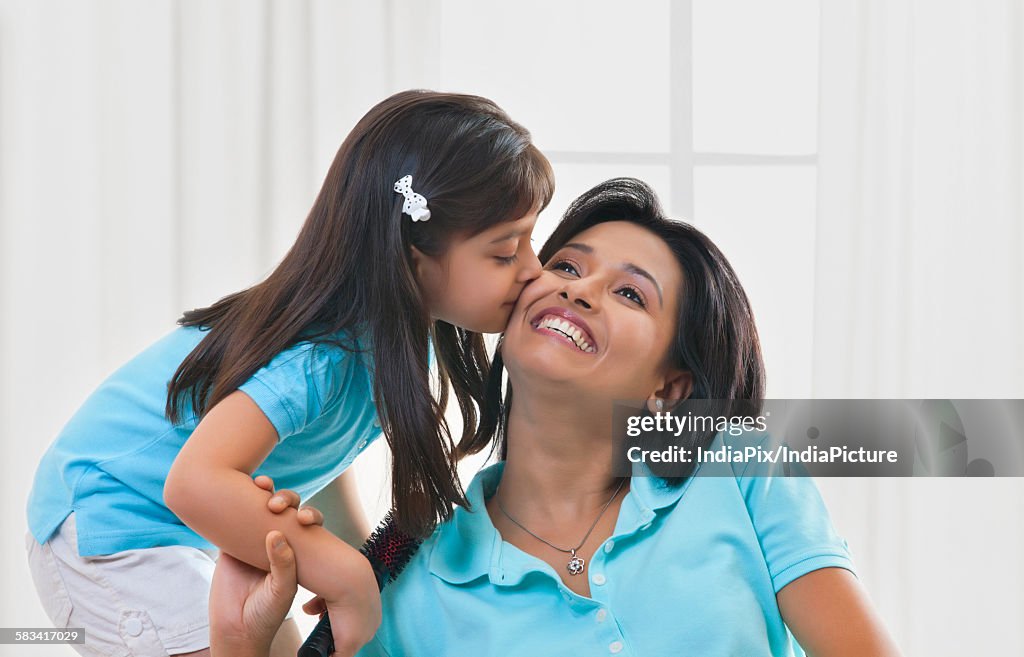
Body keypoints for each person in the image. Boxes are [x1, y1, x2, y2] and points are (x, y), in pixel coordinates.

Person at [213, 178, 903, 656]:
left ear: (671, 387)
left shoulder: (738, 469)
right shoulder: (410, 577)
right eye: (567, 264)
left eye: (631, 294)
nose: (580, 289)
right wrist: (241, 646)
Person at [24, 90, 554, 657]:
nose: (534, 270)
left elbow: (322, 454)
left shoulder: (400, 336)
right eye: (505, 252)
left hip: (182, 530)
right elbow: (195, 481)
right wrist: (342, 573)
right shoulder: (322, 354)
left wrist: (361, 559)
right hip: (108, 524)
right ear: (412, 252)